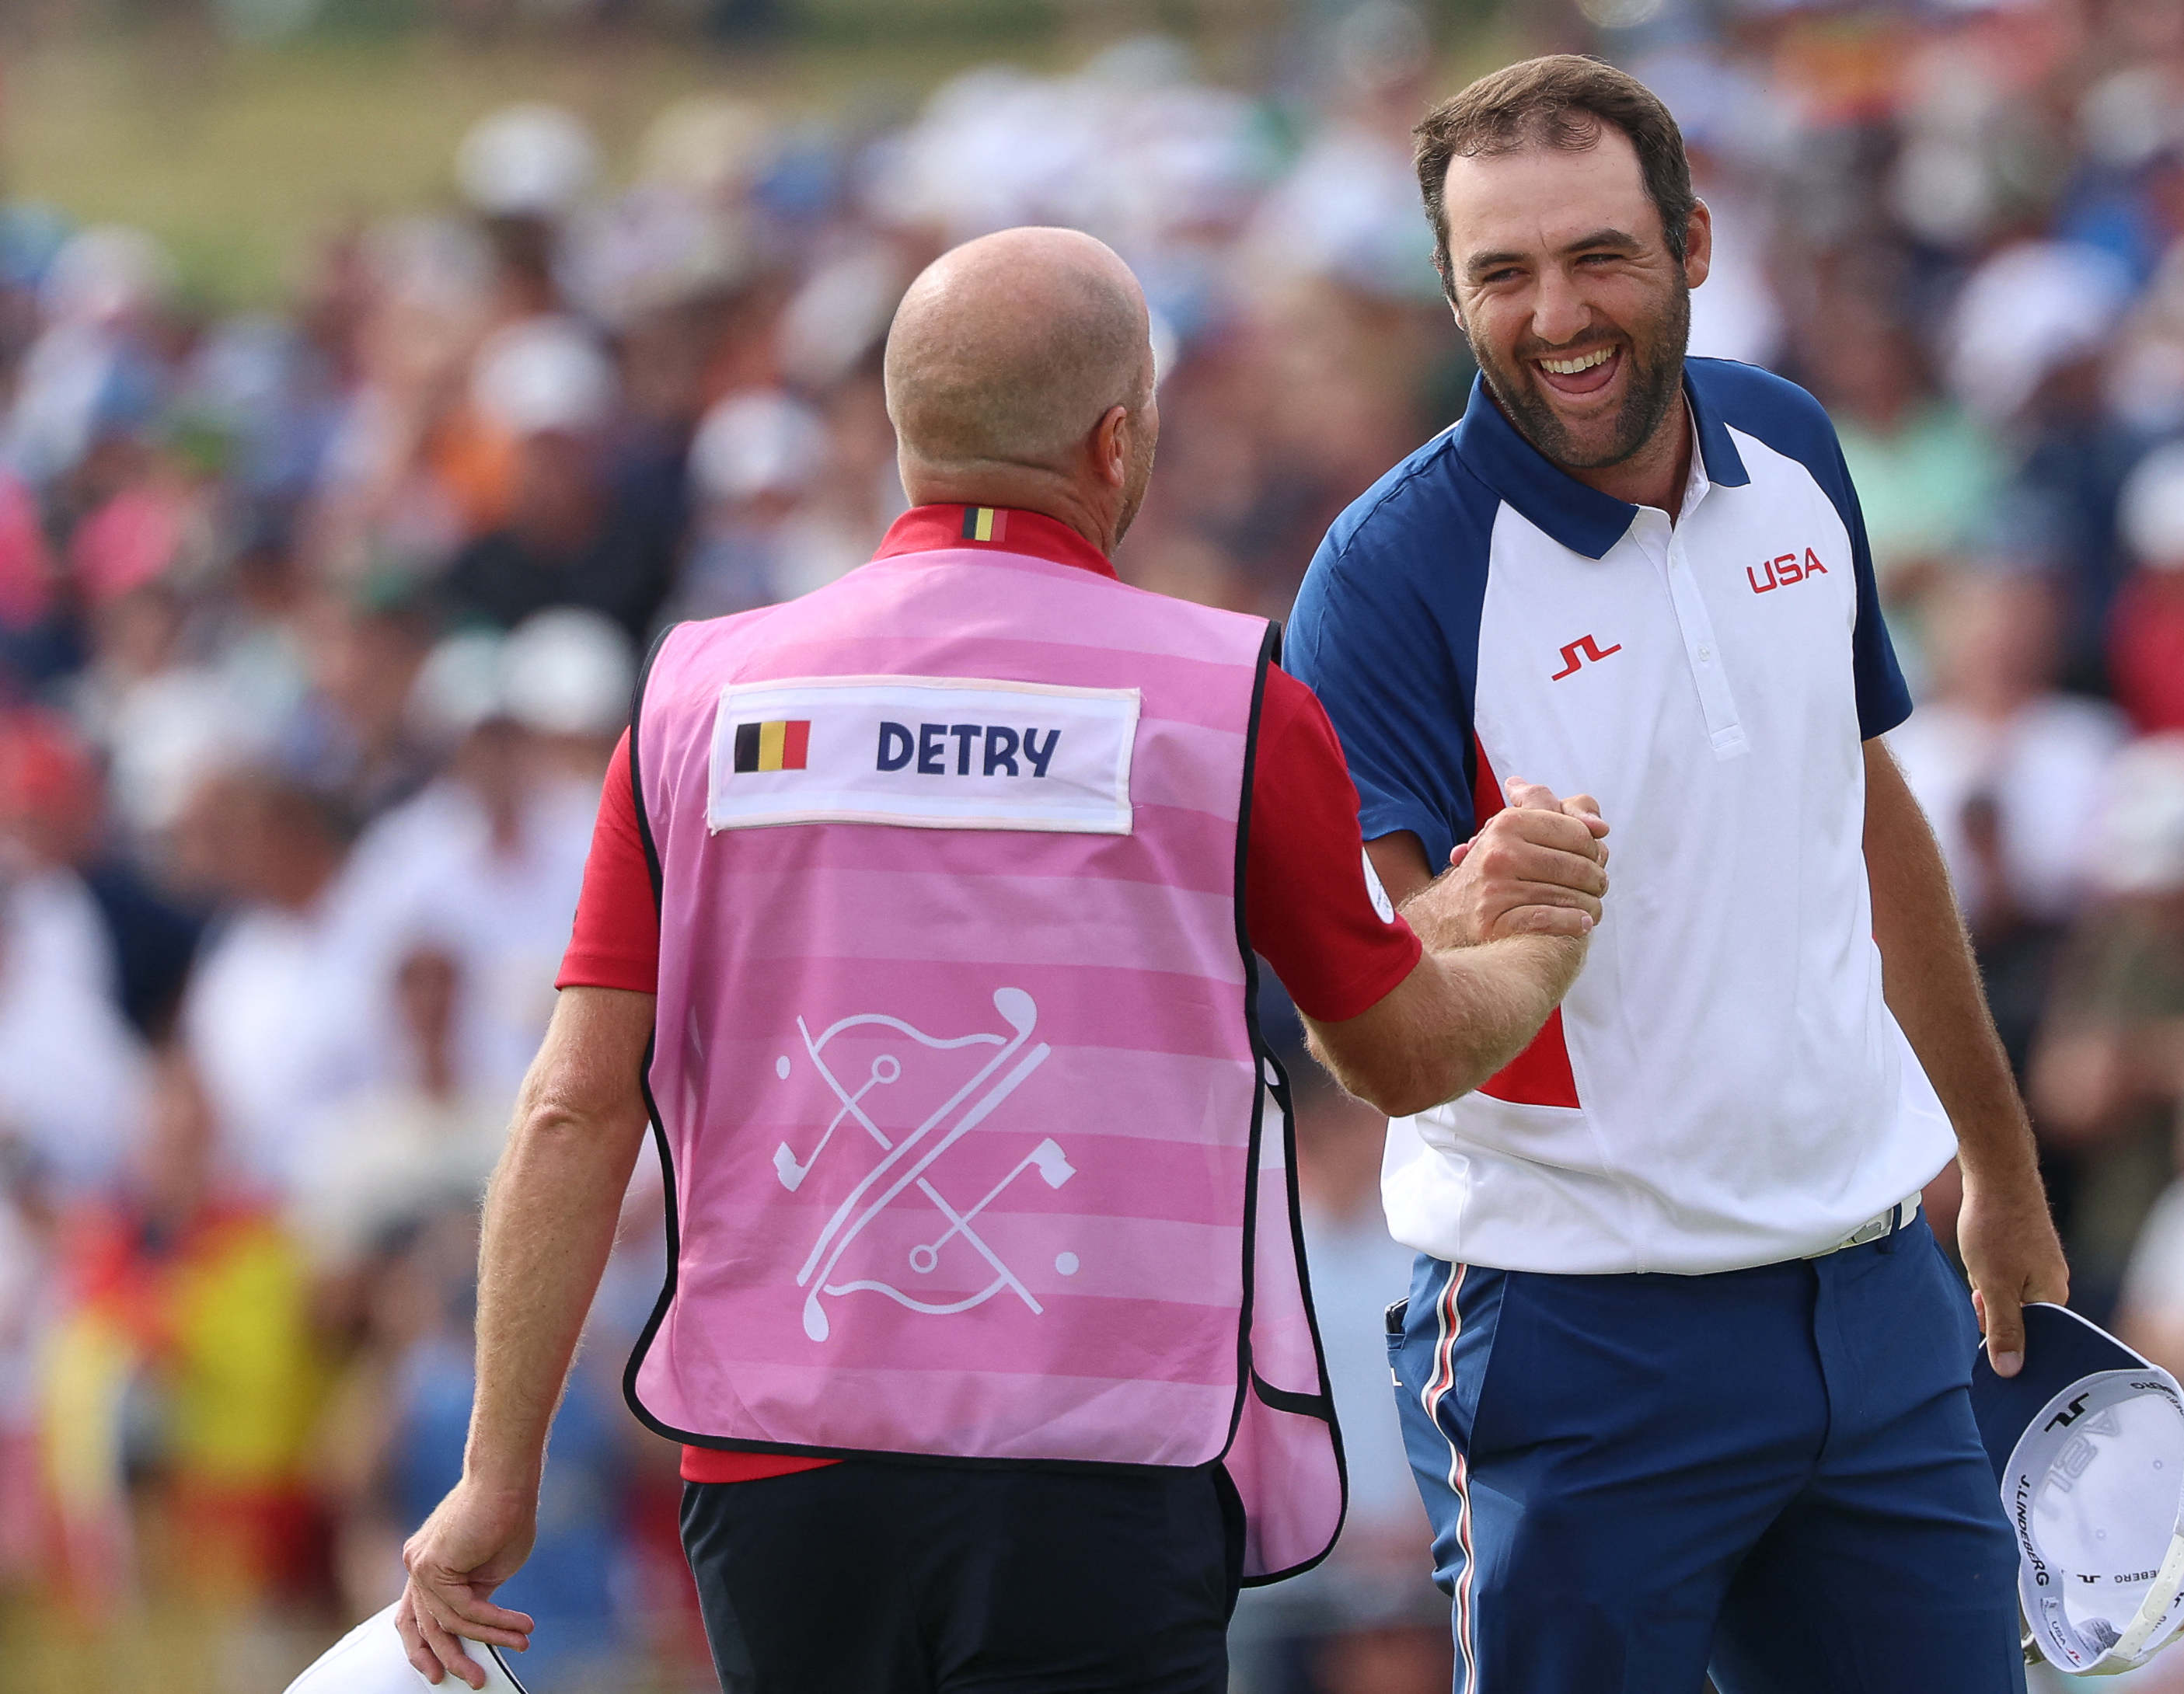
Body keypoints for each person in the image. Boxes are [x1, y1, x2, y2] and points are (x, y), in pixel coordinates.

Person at [392, 225, 1614, 1694]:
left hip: (781, 1464)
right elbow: (1399, 1049)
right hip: (1101, 1460)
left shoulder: (698, 698)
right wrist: (1532, 937)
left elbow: (574, 1110)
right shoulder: (1227, 697)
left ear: (910, 435)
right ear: (1117, 440)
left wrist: (494, 1473)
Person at [1282, 57, 2068, 1692]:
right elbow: (1364, 1009)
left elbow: (1860, 814)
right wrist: (1470, 902)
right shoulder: (1385, 572)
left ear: (1694, 242)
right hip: (1570, 1337)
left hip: (1870, 1297)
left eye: (1597, 257)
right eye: (1501, 273)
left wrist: (1996, 1167)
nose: (1554, 315)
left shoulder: (1790, 446)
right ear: (1451, 289)